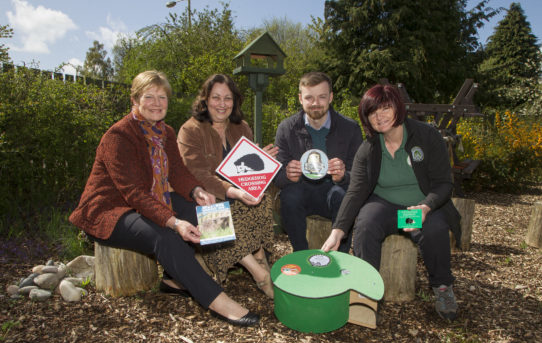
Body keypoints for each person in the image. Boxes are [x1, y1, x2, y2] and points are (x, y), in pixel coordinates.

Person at [69, 71, 259, 327]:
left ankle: (174, 277)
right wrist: (173, 221)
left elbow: (178, 173)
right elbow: (133, 193)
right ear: (134, 101)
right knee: (165, 235)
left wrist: (197, 192)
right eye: (149, 97)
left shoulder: (165, 132)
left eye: (162, 97)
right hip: (110, 210)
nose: (157, 103)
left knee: (212, 212)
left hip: (148, 199)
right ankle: (216, 300)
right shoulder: (118, 137)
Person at [321, 84, 461, 321]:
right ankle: (367, 291)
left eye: (385, 108)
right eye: (372, 112)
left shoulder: (426, 137)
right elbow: (356, 191)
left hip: (419, 208)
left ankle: (443, 288)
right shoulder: (369, 148)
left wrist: (426, 207)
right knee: (366, 223)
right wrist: (337, 231)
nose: (379, 116)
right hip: (387, 207)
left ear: (398, 107)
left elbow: (443, 183)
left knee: (435, 229)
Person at [177, 74, 276, 299]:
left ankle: (260, 255)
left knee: (262, 198)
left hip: (234, 192)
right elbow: (197, 174)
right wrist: (234, 191)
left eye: (228, 98)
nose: (222, 104)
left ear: (235, 101)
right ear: (205, 99)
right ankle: (259, 274)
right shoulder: (190, 130)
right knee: (215, 215)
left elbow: (246, 169)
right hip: (201, 195)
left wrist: (262, 162)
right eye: (216, 97)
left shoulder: (241, 127)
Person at [274, 71, 363, 252]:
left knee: (343, 197)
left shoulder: (350, 128)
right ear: (300, 99)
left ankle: (340, 257)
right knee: (289, 197)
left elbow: (359, 176)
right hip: (301, 192)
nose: (315, 103)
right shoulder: (286, 128)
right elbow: (277, 177)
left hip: (333, 192)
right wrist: (287, 174)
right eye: (309, 98)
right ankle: (300, 255)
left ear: (330, 97)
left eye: (322, 97)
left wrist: (343, 176)